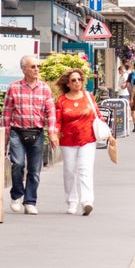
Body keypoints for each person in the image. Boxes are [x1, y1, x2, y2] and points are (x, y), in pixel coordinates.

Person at [2, 54, 58, 215]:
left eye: (38, 66)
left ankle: (30, 201)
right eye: (33, 67)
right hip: (17, 132)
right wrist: (4, 135)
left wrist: (52, 133)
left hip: (37, 133)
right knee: (18, 164)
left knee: (34, 170)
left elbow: (51, 112)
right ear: (23, 69)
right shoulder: (13, 87)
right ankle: (17, 195)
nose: (36, 69)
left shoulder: (45, 88)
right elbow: (6, 113)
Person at [54, 68, 109, 216]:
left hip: (87, 138)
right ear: (68, 83)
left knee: (85, 170)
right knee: (70, 171)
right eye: (73, 80)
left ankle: (87, 201)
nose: (77, 82)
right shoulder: (62, 101)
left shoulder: (88, 97)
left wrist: (108, 133)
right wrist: (53, 134)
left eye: (79, 79)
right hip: (68, 140)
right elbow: (57, 121)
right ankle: (72, 201)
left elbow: (97, 115)